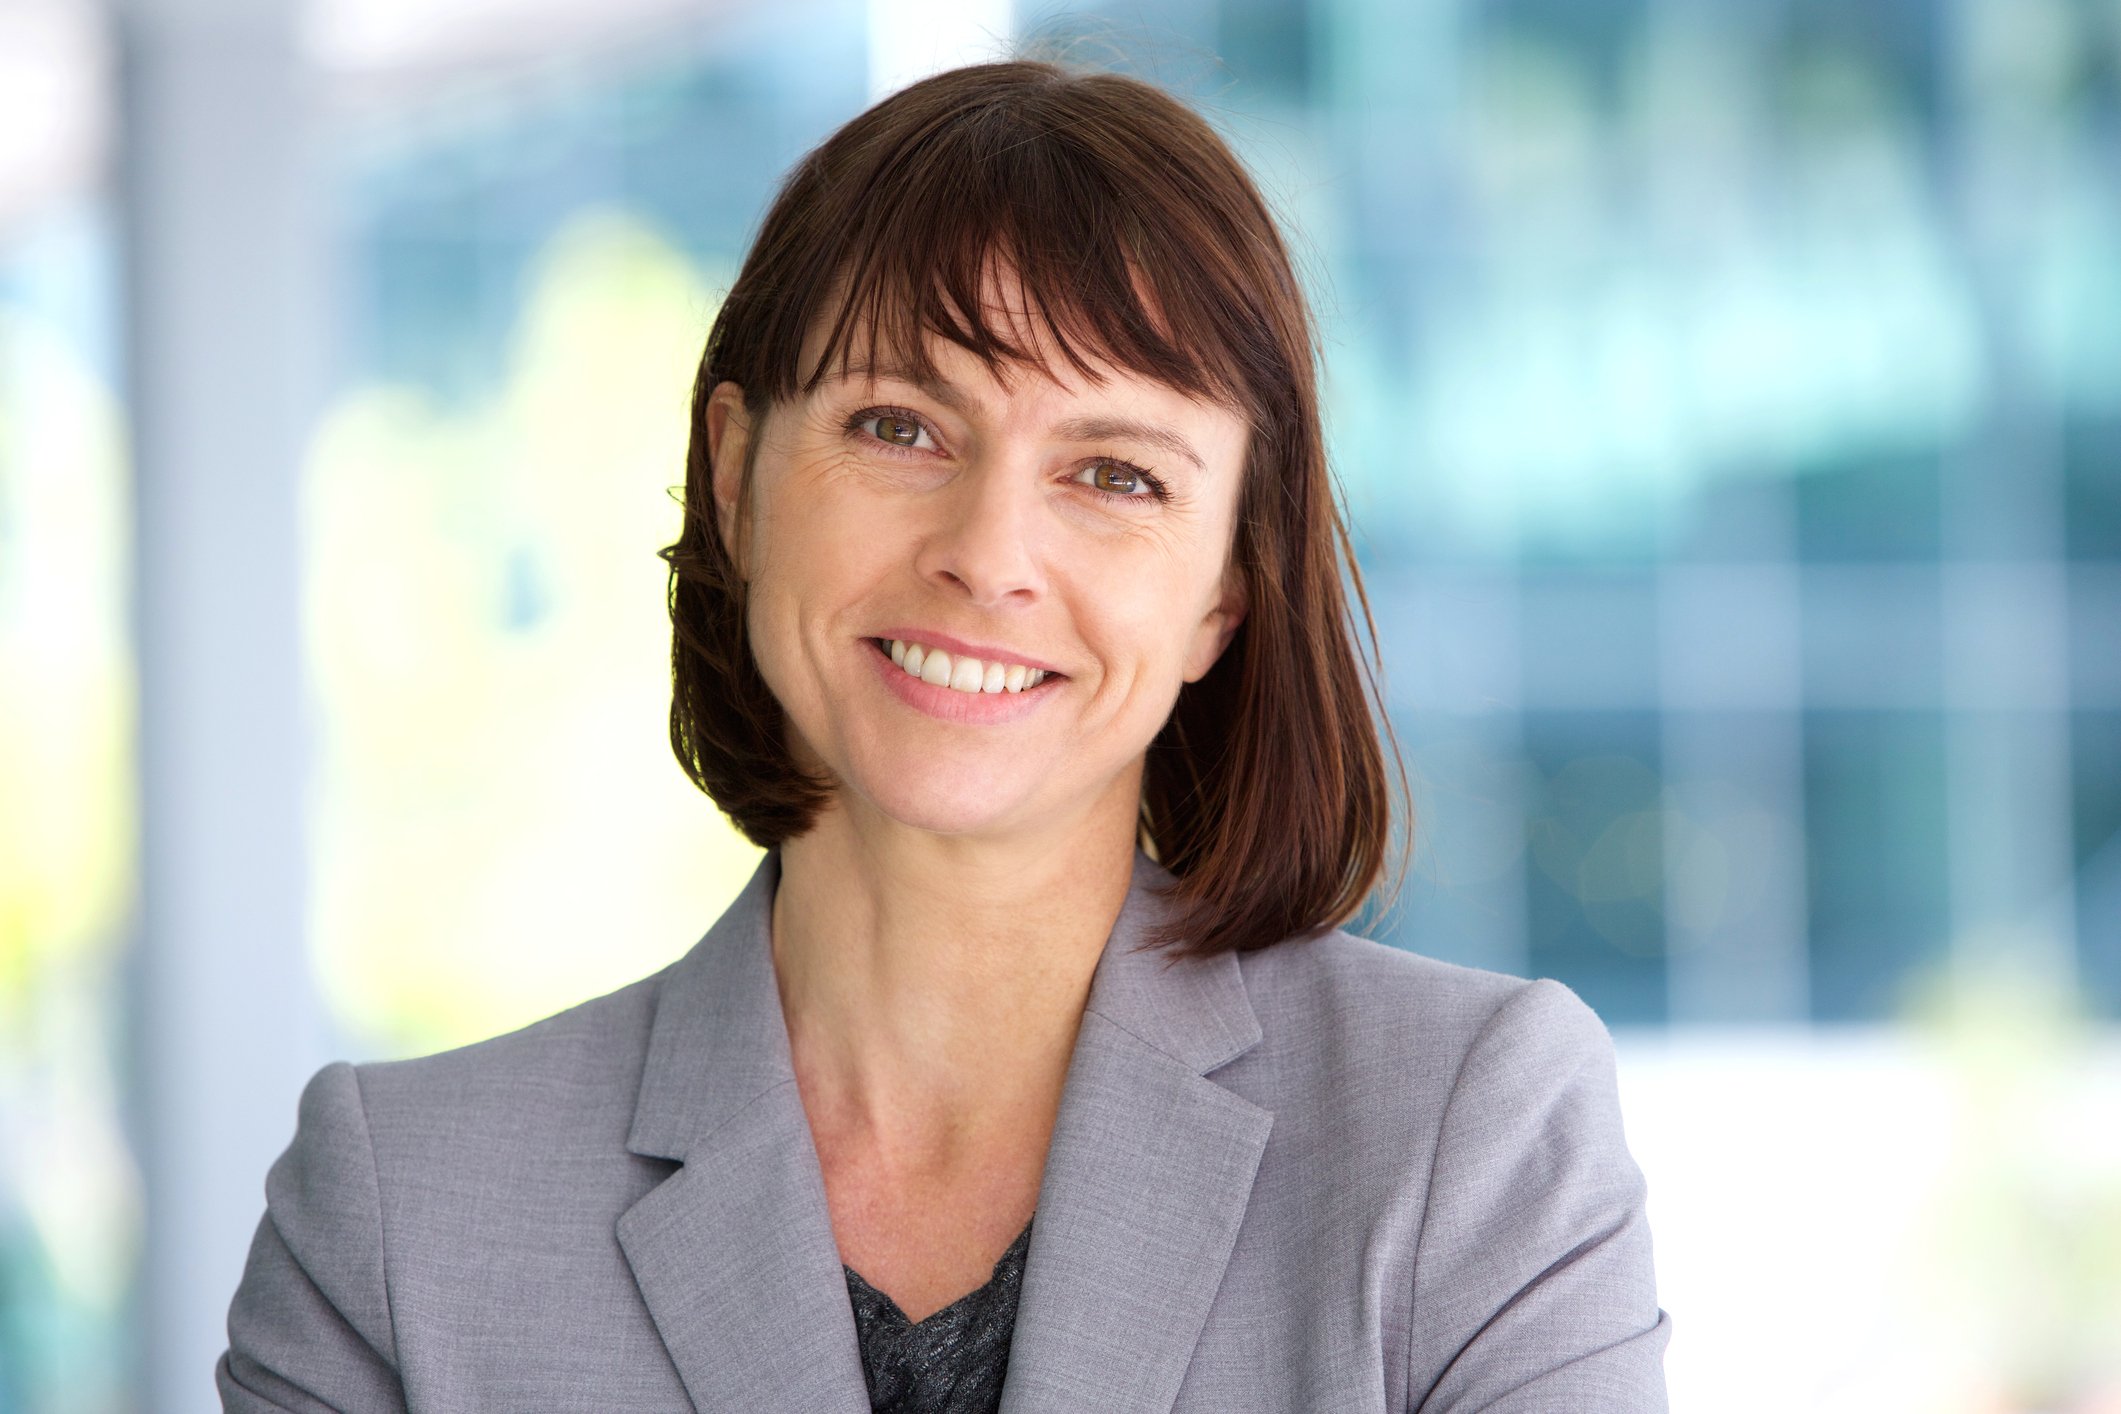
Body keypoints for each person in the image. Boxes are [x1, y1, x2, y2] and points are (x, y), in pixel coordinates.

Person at [218, 56, 1670, 1413]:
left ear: (1226, 586)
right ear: (735, 474)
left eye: (1113, 472)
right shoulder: (403, 1212)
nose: (989, 553)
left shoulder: (1464, 1138)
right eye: (901, 427)